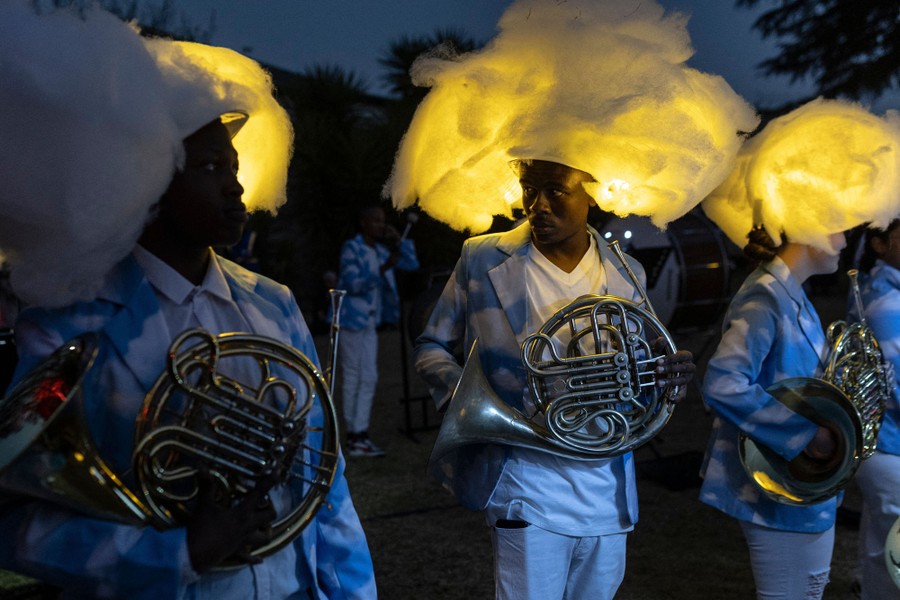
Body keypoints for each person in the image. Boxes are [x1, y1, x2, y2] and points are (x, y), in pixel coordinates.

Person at [0, 4, 376, 598]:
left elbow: (323, 482)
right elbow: (18, 525)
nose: (235, 184)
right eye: (206, 167)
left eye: (233, 166)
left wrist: (351, 591)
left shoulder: (274, 304)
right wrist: (179, 553)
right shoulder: (65, 326)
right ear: (143, 179)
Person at [415, 158, 695, 599]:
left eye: (556, 190)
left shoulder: (628, 272)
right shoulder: (482, 257)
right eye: (529, 189)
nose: (537, 205)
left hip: (606, 490)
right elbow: (432, 345)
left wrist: (665, 375)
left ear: (592, 192)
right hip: (526, 484)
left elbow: (636, 369)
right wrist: (468, 400)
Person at [699, 226, 846, 599]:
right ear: (806, 228)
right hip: (776, 486)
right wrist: (804, 435)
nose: (844, 241)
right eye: (840, 228)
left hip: (796, 486)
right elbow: (722, 382)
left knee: (808, 591)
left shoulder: (787, 292)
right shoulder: (764, 296)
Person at [336, 205, 418, 458]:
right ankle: (354, 436)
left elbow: (412, 264)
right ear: (363, 222)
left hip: (370, 322)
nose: (381, 226)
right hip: (351, 321)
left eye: (383, 222)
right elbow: (352, 283)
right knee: (353, 375)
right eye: (376, 221)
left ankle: (359, 434)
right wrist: (382, 269)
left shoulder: (382, 250)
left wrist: (398, 241)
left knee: (368, 376)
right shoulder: (352, 248)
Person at [854, 218, 900, 599]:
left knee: (879, 550)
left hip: (885, 442)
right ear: (880, 244)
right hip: (888, 445)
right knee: (893, 558)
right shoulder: (886, 302)